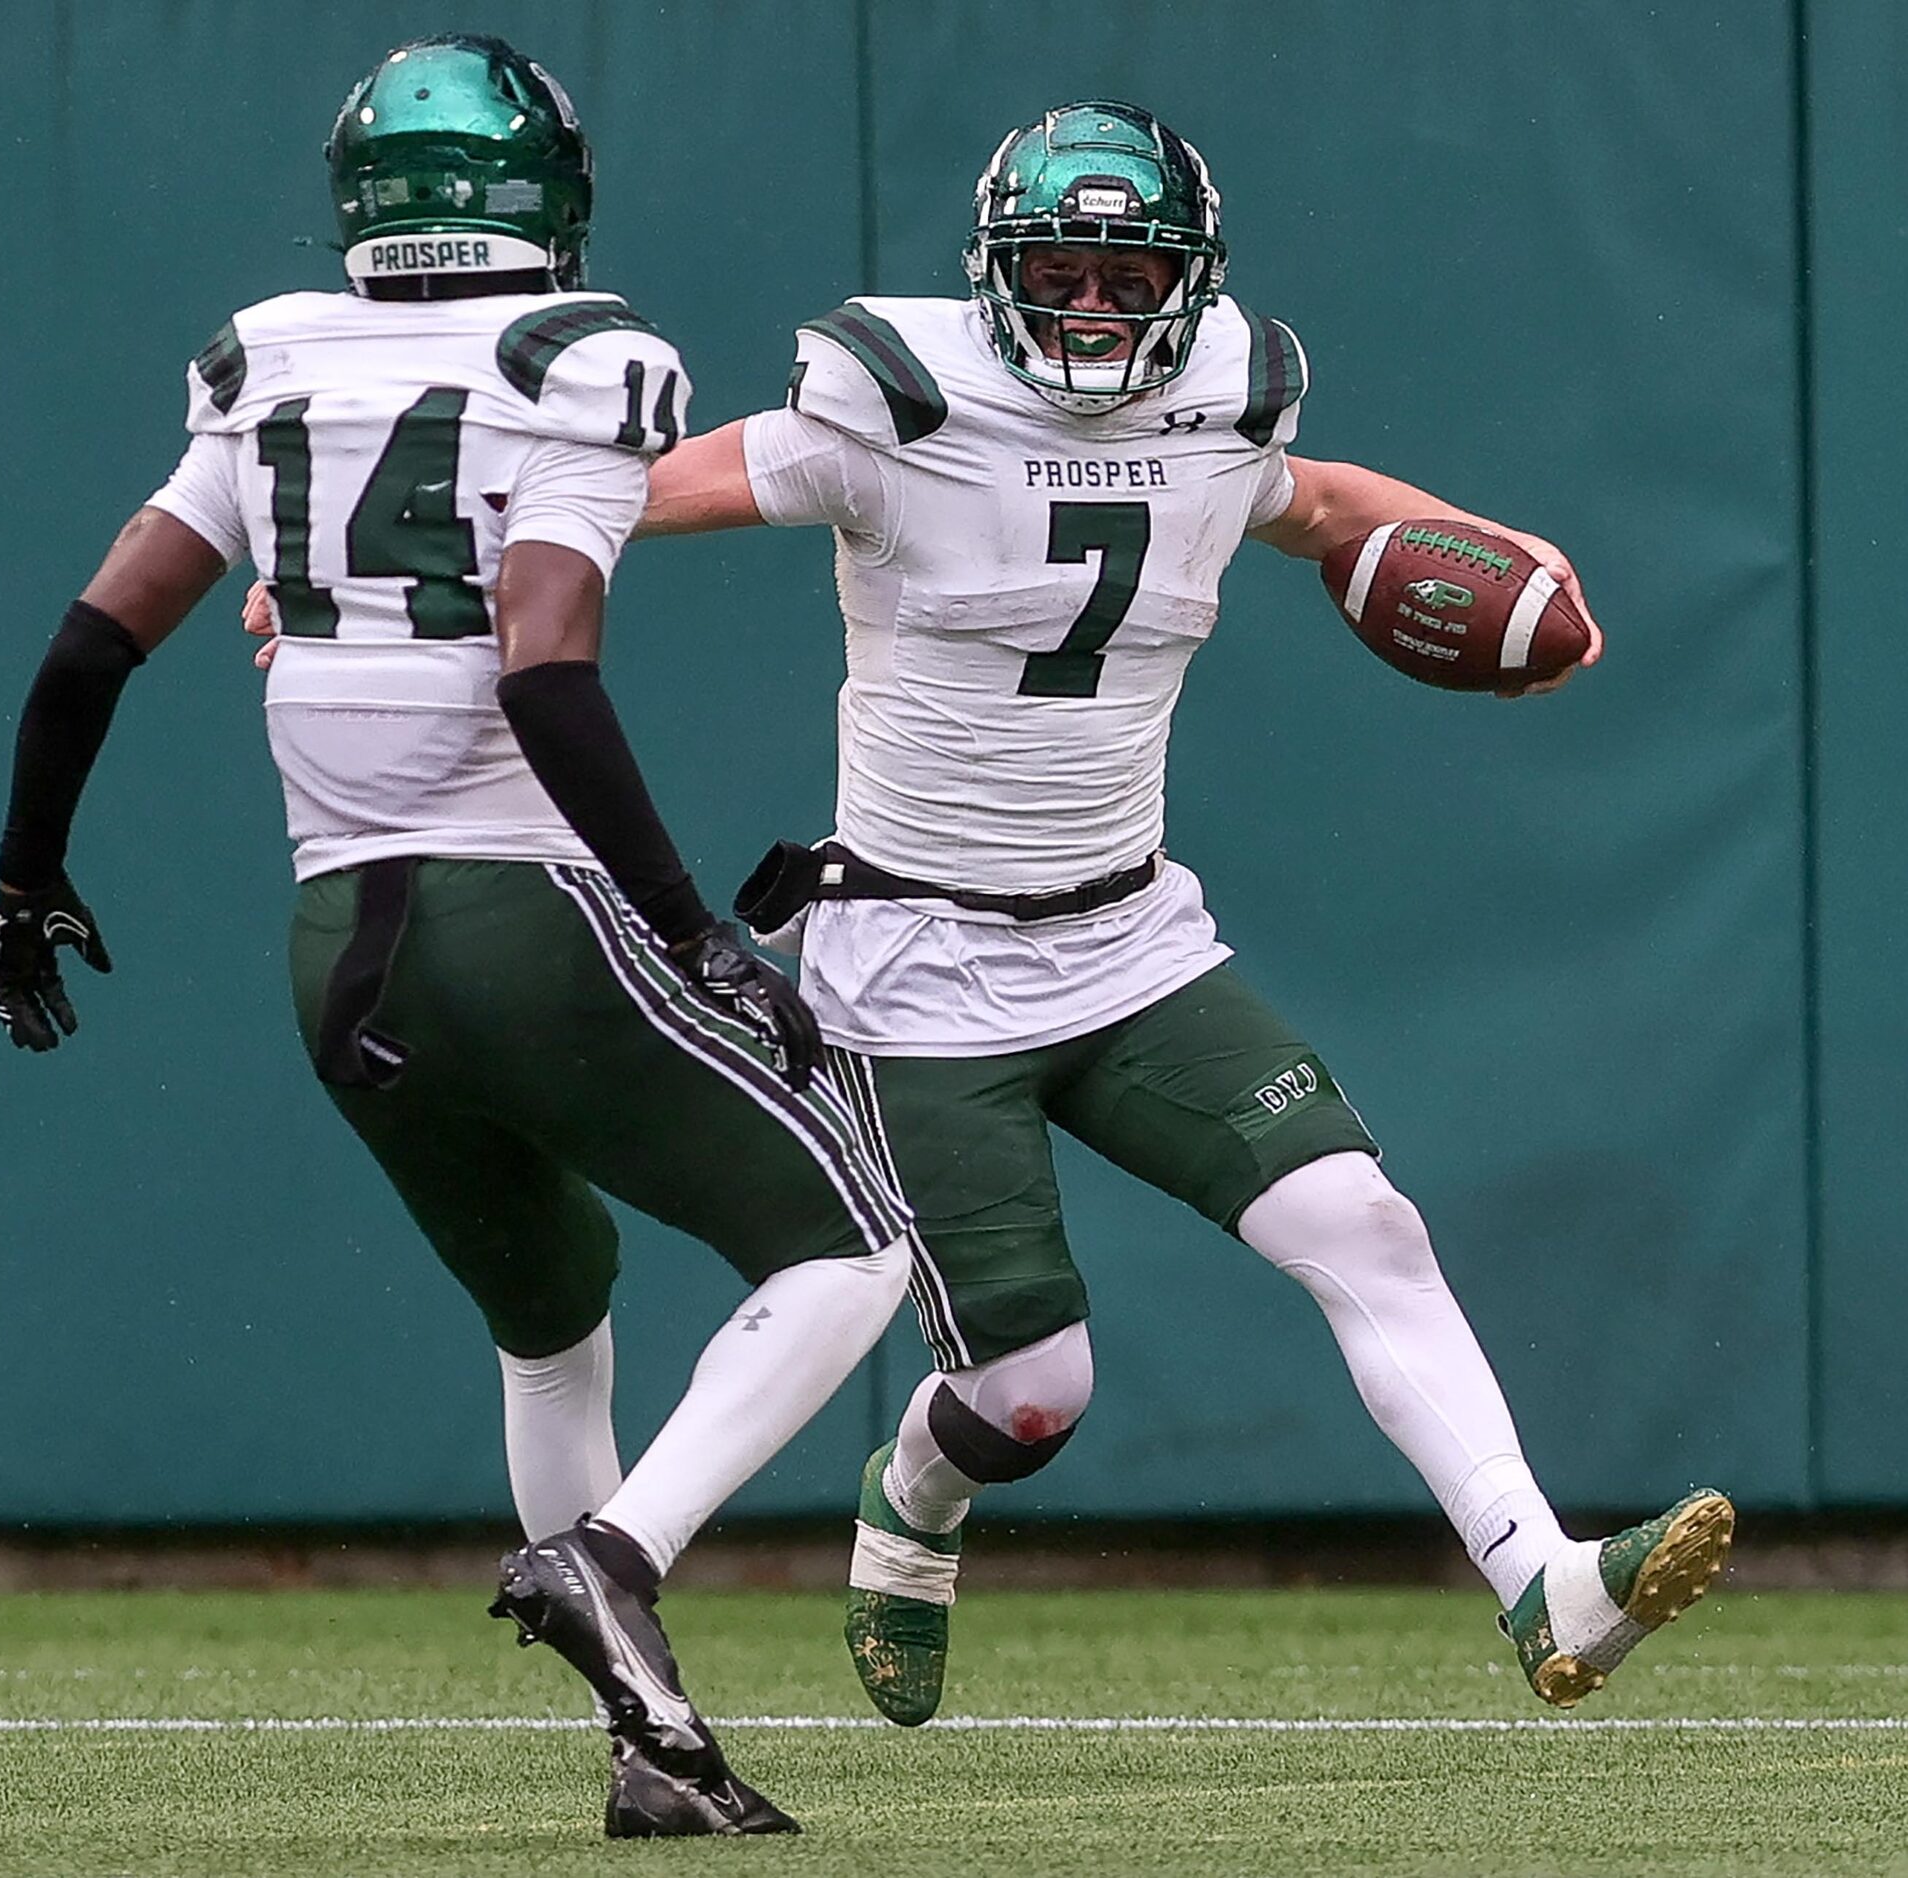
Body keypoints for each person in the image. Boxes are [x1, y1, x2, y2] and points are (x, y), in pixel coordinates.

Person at [628, 100, 1734, 1724]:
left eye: (1123, 269)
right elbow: (642, 493)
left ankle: (1539, 1572)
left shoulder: (1221, 404)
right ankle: (913, 1504)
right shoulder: (892, 411)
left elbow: (1327, 500)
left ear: (1185, 275)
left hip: (1135, 942)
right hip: (920, 967)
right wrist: (398, 589)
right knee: (1030, 1393)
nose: (1090, 306)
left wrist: (1509, 558)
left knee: (1365, 1223)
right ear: (1001, 275)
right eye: (1059, 271)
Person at [0, 35, 913, 1836]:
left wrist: (27, 871)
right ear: (546, 191)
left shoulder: (267, 358)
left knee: (552, 1323)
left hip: (335, 946)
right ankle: (614, 1554)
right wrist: (691, 921)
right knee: (858, 1249)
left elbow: (93, 641)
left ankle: (651, 1745)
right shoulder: (581, 358)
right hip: (517, 907)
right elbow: (544, 662)